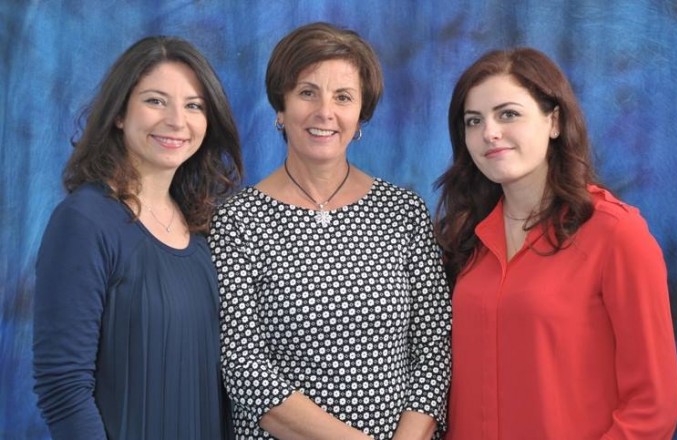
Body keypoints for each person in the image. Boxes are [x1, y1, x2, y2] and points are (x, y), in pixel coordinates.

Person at [208, 22, 451, 440]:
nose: (325, 112)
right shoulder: (237, 221)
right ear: (280, 108)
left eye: (343, 97)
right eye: (307, 92)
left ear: (360, 116)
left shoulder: (404, 213)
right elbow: (243, 366)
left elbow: (433, 350)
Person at [435, 47, 677, 439]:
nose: (489, 132)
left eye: (508, 114)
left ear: (554, 121)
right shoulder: (464, 237)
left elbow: (653, 408)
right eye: (473, 120)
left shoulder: (616, 235)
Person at [33, 36, 243, 440]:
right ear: (119, 113)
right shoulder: (84, 222)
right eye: (155, 101)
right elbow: (63, 388)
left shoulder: (202, 229)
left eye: (194, 105)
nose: (177, 121)